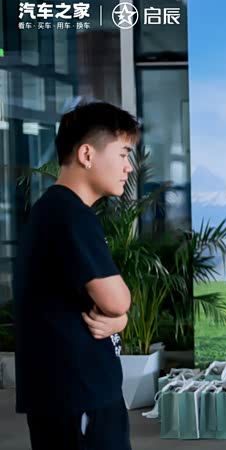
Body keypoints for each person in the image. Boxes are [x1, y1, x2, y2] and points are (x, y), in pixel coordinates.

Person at [13, 102, 139, 450]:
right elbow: (117, 301)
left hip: (69, 393)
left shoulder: (54, 210)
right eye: (123, 154)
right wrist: (121, 316)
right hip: (79, 395)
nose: (128, 167)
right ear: (87, 154)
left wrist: (119, 318)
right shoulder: (70, 215)